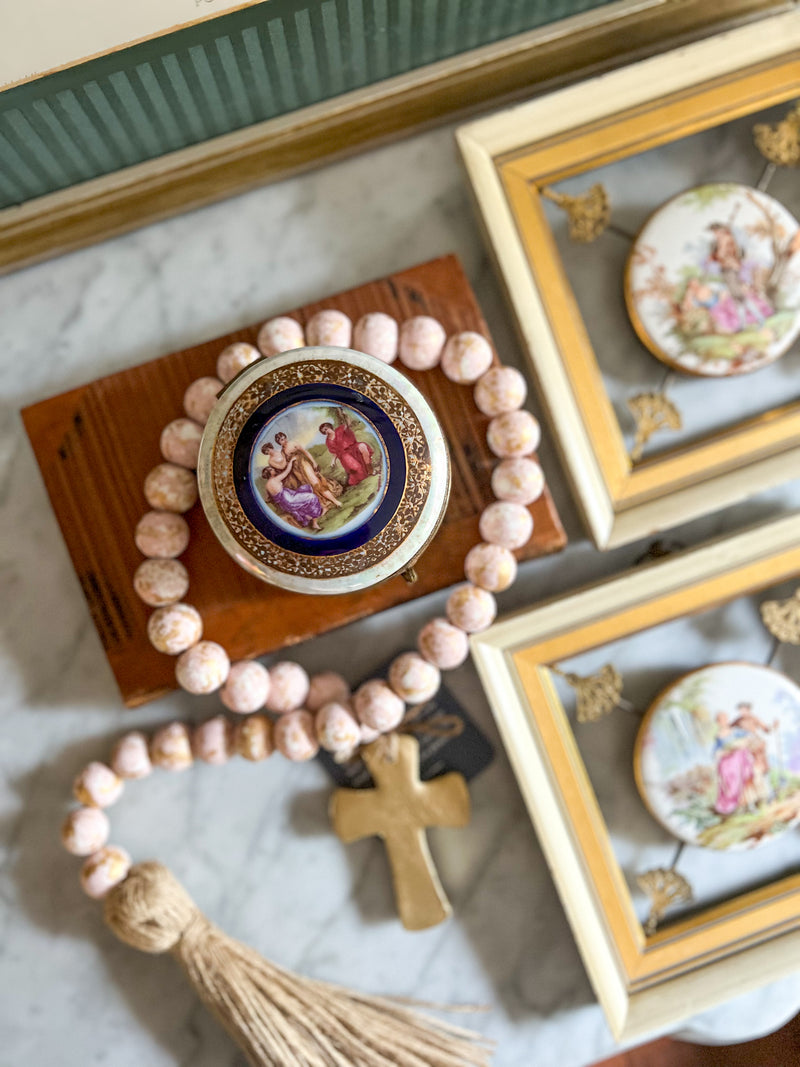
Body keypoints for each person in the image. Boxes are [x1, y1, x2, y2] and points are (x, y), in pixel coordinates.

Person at [274, 431, 342, 511]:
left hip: (304, 464)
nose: (284, 440)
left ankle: (335, 501)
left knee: (316, 482)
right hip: (296, 471)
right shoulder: (282, 451)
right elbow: (285, 464)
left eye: (284, 438)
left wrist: (314, 462)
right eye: (281, 440)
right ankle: (323, 504)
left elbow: (305, 452)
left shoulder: (293, 443)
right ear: (279, 443)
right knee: (309, 487)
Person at [261, 458, 323, 531]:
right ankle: (314, 522)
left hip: (284, 504)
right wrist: (291, 461)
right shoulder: (276, 479)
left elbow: (267, 498)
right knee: (312, 497)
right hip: (289, 499)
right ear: (270, 473)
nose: (274, 470)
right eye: (272, 470)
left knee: (305, 489)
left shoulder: (267, 485)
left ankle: (310, 519)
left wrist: (277, 496)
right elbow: (287, 471)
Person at [319, 418, 374, 486]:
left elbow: (348, 425)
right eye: (324, 432)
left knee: (363, 446)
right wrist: (333, 461)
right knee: (355, 468)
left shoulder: (340, 429)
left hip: (353, 447)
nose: (326, 432)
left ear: (329, 427)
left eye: (326, 429)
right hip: (344, 455)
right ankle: (361, 477)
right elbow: (334, 453)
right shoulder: (328, 441)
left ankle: (370, 469)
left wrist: (345, 416)